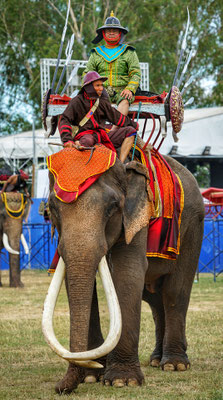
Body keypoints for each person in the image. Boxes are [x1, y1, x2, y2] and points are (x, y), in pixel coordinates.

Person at [59, 71, 139, 163]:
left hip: (102, 136)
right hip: (85, 136)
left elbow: (117, 117)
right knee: (88, 141)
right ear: (88, 87)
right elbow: (64, 120)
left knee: (130, 131)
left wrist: (133, 124)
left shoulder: (102, 102)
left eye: (101, 85)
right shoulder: (76, 101)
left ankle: (120, 164)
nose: (101, 88)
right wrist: (67, 140)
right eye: (97, 85)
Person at [82, 11, 141, 117]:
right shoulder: (96, 53)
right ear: (103, 33)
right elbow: (87, 73)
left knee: (125, 100)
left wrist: (130, 89)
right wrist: (91, 89)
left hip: (123, 91)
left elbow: (135, 73)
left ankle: (114, 130)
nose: (111, 33)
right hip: (100, 91)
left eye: (115, 30)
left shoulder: (129, 52)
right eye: (108, 30)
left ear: (120, 33)